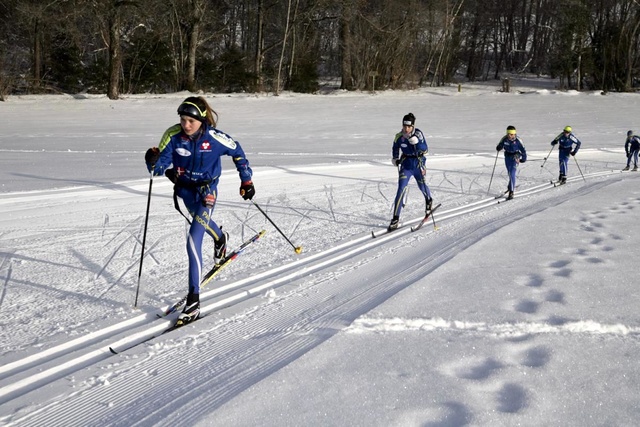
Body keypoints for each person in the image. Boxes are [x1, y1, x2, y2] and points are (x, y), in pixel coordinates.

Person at [144, 96, 255, 324]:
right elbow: (157, 169)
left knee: (193, 240)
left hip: (206, 193)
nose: (186, 125)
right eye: (183, 120)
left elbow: (238, 153)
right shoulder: (173, 136)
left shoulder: (214, 137)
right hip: (185, 192)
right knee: (199, 220)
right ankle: (221, 237)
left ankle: (193, 302)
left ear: (201, 120)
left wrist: (246, 182)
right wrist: (153, 161)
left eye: (190, 121)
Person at [388, 113, 433, 231]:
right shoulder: (399, 136)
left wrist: (417, 143)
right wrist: (395, 158)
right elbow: (395, 147)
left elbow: (425, 149)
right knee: (401, 189)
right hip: (406, 165)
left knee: (422, 186)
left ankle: (429, 200)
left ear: (413, 126)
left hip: (418, 164)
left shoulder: (418, 134)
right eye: (404, 126)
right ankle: (395, 218)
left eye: (408, 126)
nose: (406, 129)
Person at [496, 125, 527, 200]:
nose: (509, 136)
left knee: (512, 173)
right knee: (509, 172)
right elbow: (499, 145)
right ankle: (510, 186)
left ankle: (511, 191)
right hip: (507, 156)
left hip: (516, 156)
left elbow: (523, 151)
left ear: (514, 134)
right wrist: (498, 147)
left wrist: (524, 158)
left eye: (511, 134)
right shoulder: (504, 139)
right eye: (508, 134)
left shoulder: (518, 140)